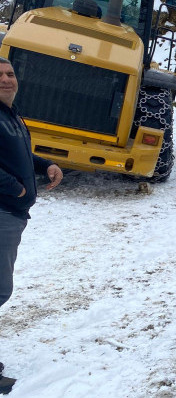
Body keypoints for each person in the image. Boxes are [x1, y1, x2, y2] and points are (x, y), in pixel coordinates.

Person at [0, 57, 63, 393]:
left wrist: (45, 165)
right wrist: (17, 189)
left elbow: (18, 155)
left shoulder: (11, 116)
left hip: (10, 215)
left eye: (10, 74)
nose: (6, 79)